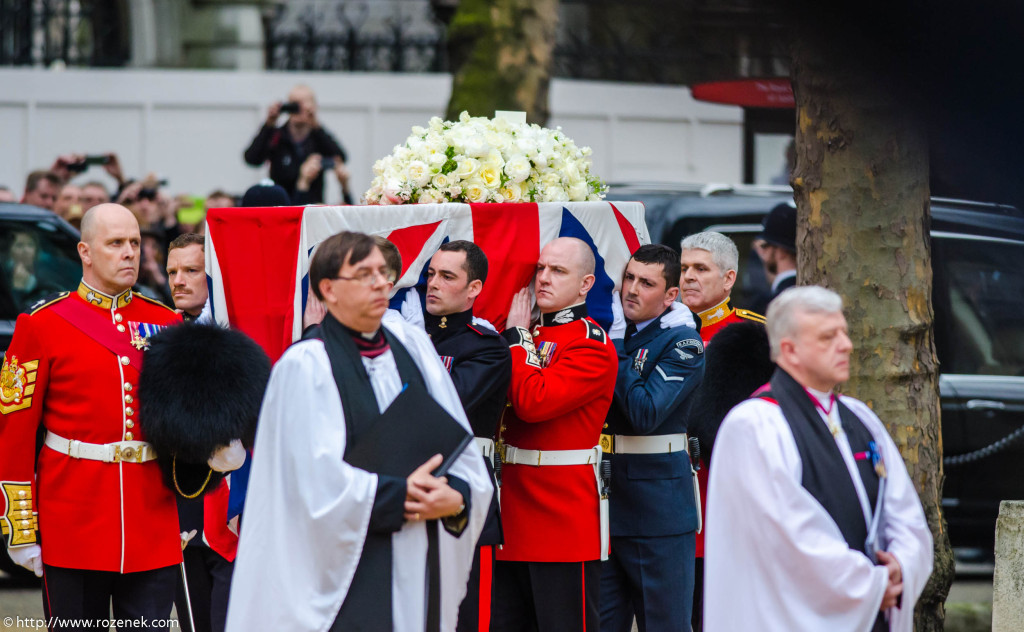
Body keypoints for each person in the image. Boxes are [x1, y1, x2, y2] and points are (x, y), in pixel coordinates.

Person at [225, 231, 491, 632]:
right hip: (341, 575)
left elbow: (459, 447)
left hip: (418, 556)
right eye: (364, 274)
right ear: (328, 289)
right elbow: (310, 484)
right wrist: (403, 495)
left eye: (384, 273)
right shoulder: (306, 366)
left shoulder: (413, 346)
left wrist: (456, 497)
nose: (381, 283)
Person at [0, 203, 188, 629]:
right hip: (73, 523)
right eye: (116, 243)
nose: (129, 253)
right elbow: (14, 435)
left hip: (150, 523)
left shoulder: (166, 322)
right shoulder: (43, 325)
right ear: (85, 252)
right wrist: (20, 527)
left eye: (136, 243)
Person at [704, 286, 933, 631]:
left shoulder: (860, 417)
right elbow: (788, 538)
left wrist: (902, 563)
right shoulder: (753, 425)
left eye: (843, 332)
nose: (846, 345)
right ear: (788, 350)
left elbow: (904, 512)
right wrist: (871, 584)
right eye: (828, 337)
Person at [493, 236, 618, 632]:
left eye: (558, 271)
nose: (543, 278)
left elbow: (534, 403)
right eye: (541, 268)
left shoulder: (590, 344)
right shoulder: (529, 332)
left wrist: (516, 341)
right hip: (511, 507)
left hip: (560, 515)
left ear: (585, 284)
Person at [601, 244, 705, 632]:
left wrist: (613, 348)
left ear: (670, 295)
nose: (631, 289)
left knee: (664, 625)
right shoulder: (616, 330)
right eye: (628, 278)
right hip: (607, 502)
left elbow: (645, 413)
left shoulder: (682, 343)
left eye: (646, 283)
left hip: (658, 509)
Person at [678, 229, 765, 630]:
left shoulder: (754, 336)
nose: (688, 277)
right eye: (683, 269)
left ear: (728, 279)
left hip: (720, 492)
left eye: (700, 268)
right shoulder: (663, 329)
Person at [424, 240, 511, 632]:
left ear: (473, 288)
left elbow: (445, 405)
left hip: (464, 496)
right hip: (412, 494)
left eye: (447, 276)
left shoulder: (487, 348)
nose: (433, 284)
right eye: (430, 274)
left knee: (468, 621)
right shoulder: (406, 335)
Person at [163, 233, 237, 632]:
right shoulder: (156, 335)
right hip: (185, 503)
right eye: (173, 271)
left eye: (192, 270)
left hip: (234, 505)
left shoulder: (237, 334)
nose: (179, 280)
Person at [243, 85, 348, 204]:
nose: (298, 109)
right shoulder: (277, 136)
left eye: (304, 104)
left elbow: (340, 158)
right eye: (294, 104)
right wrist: (269, 124)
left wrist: (315, 124)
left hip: (312, 207)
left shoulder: (317, 138)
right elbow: (252, 159)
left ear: (313, 107)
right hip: (281, 206)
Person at [758, 203, 798, 301]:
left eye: (765, 246)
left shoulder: (767, 304)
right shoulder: (819, 296)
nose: (762, 253)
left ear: (782, 251)